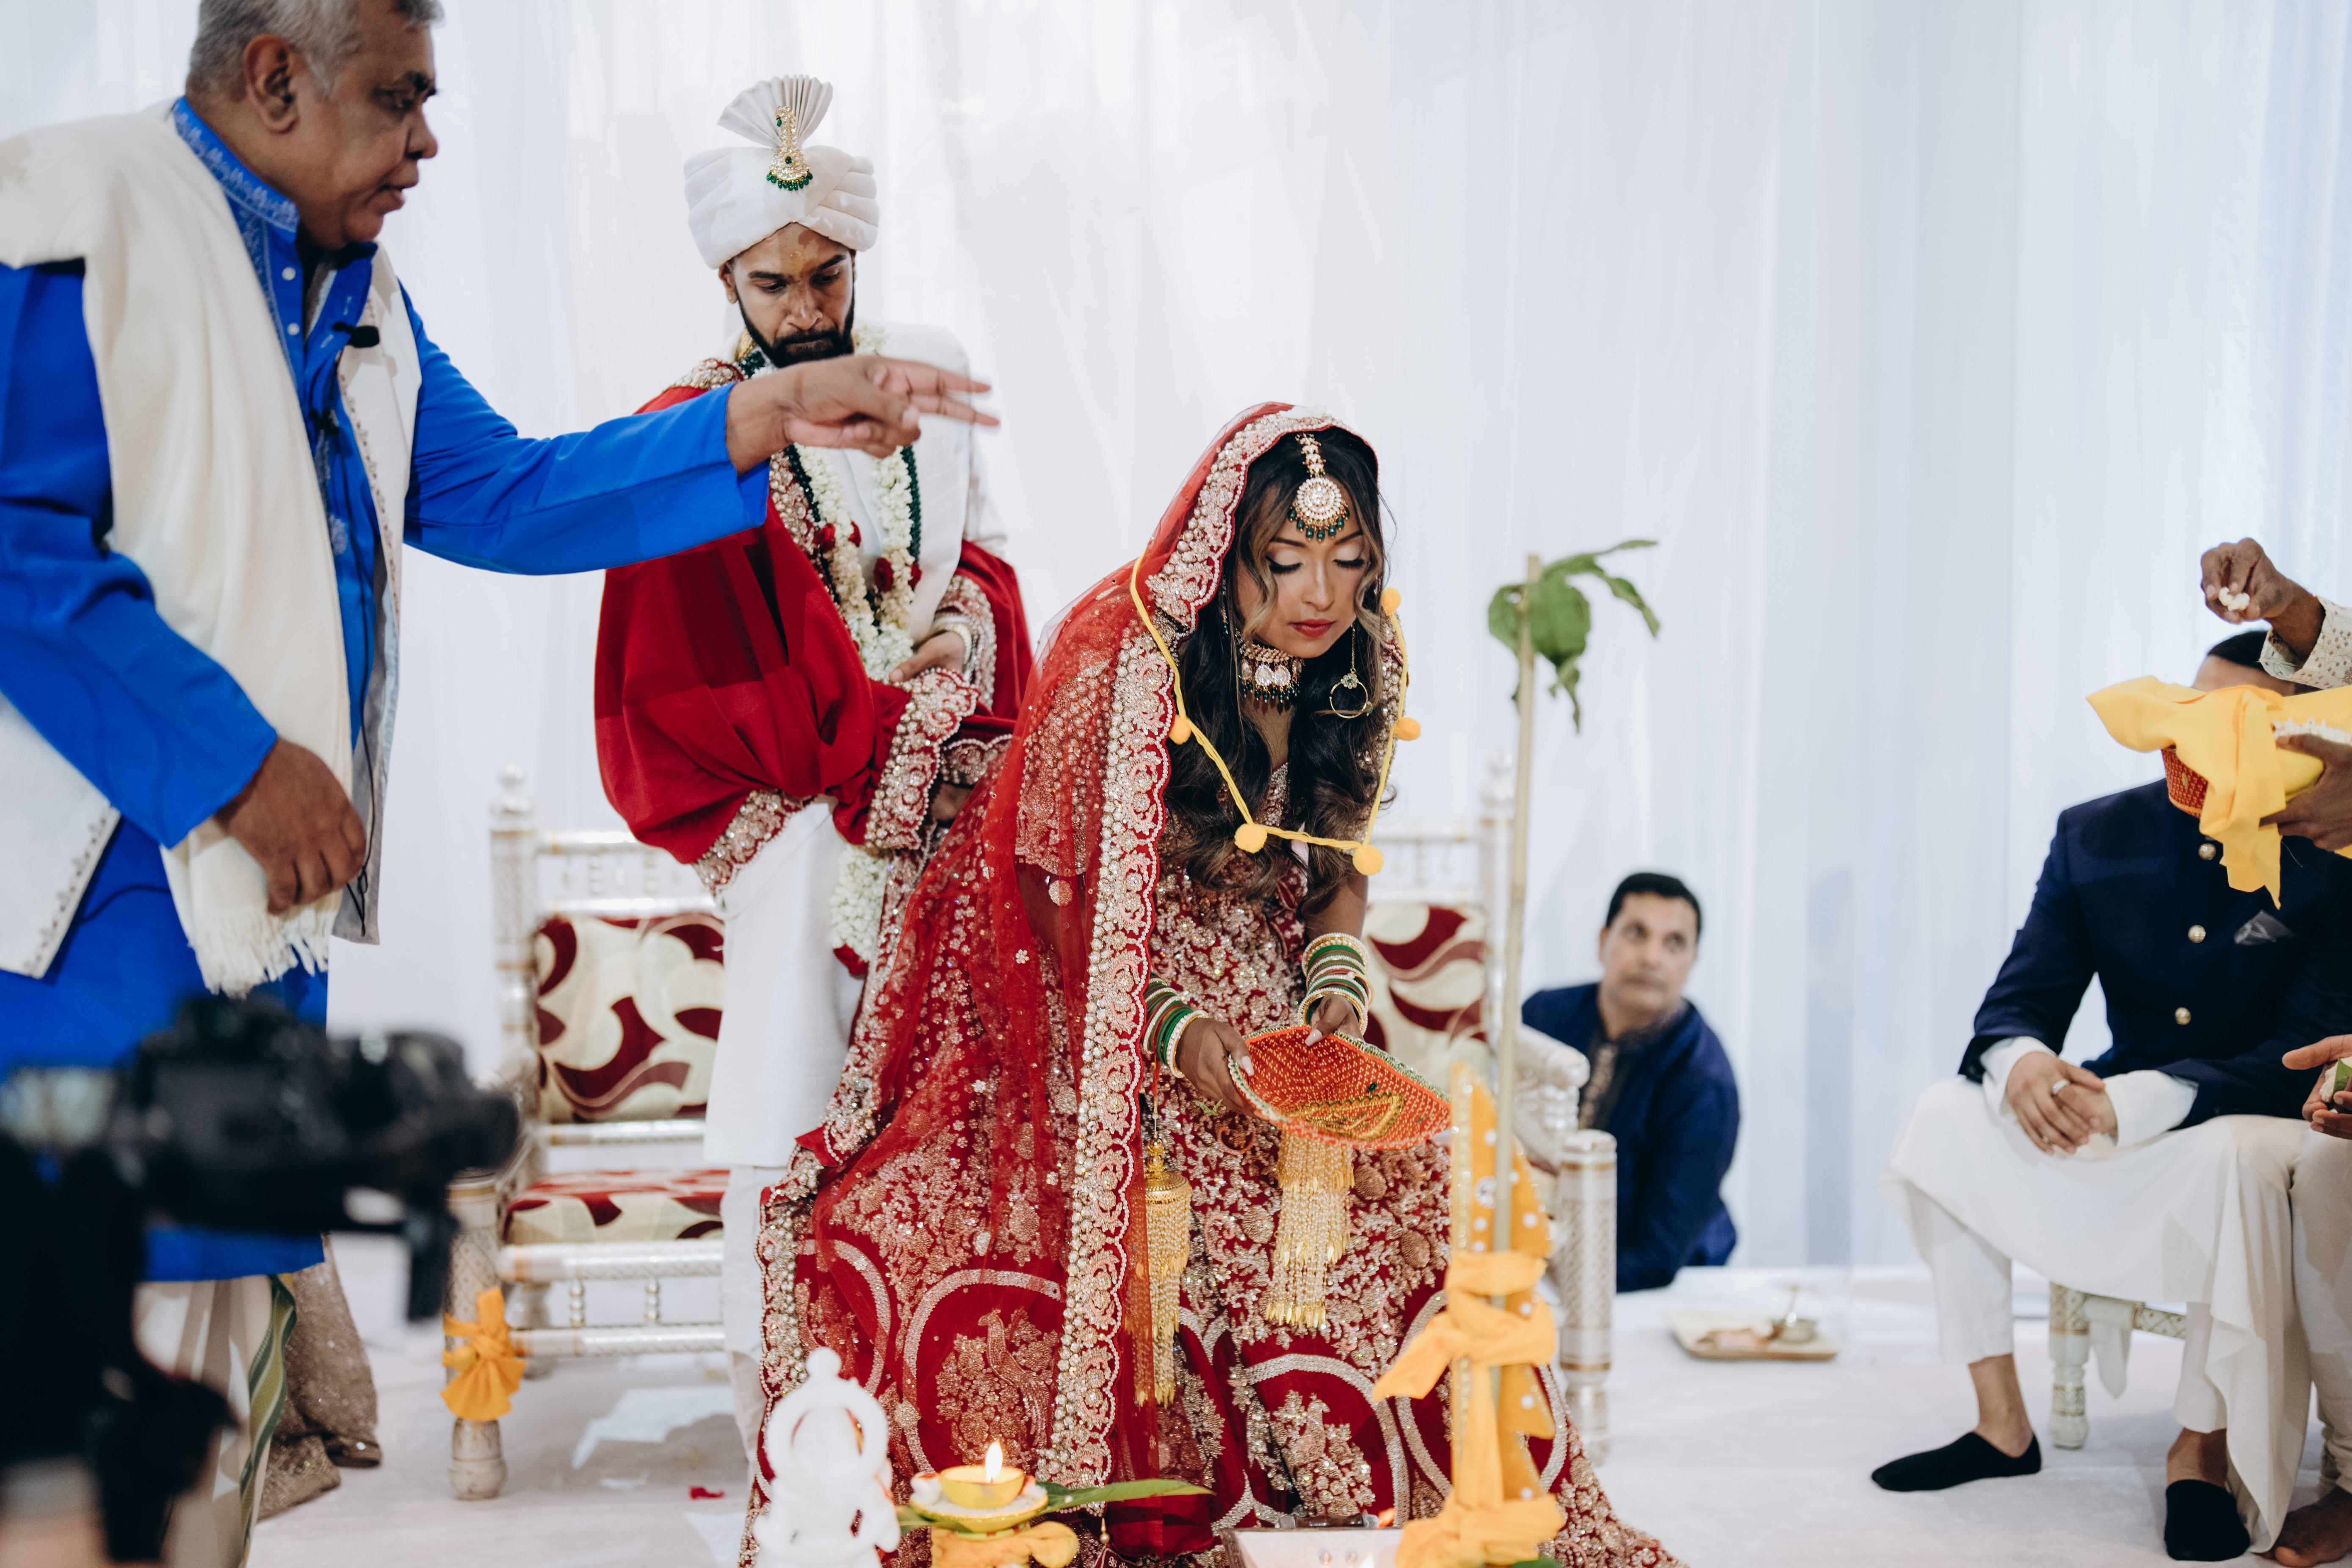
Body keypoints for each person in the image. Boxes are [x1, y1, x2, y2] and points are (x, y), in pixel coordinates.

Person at [0, 4, 990, 1562]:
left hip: (247, 928)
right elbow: (14, 545)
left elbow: (512, 494)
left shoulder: (357, 296)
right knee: (79, 1434)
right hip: (85, 918)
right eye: (399, 100)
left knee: (202, 1440)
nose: (427, 141)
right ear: (275, 77)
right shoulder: (82, 215)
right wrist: (236, 765)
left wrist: (756, 415)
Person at [732, 406, 1679, 1567]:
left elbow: (1334, 868)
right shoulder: (1133, 664)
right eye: (1286, 561)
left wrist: (1334, 982)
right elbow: (1052, 891)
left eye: (1349, 560)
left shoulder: (1357, 667)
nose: (1320, 594)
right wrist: (1173, 1035)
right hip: (1097, 987)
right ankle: (1210, 1497)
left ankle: (1405, 1503)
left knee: (1410, 1191)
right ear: (1228, 556)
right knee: (1182, 1194)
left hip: (1259, 987)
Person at [593, 73, 1031, 1462]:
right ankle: (785, 1429)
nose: (802, 307)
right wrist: (891, 736)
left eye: (825, 274)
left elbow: (989, 556)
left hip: (936, 803)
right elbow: (706, 666)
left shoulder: (926, 377)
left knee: (946, 1106)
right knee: (792, 1105)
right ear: (727, 281)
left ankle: (941, 1414)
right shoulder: (697, 430)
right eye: (772, 283)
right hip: (797, 827)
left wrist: (965, 632)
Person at [1871, 636, 2352, 1560]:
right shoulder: (2093, 830)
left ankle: (2197, 1450)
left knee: (2237, 1159)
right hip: (2111, 1120)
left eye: (2227, 723)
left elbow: (2302, 1054)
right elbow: (2018, 1000)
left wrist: (2138, 1102)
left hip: (2238, 1124)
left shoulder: (2333, 852)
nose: (2185, 738)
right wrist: (2021, 1061)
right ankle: (2000, 1426)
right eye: (2184, 707)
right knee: (1942, 1113)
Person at [1521, 873, 1737, 1292]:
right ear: (1603, 941)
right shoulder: (1543, 1016)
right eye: (1636, 934)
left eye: (1673, 943)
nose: (1651, 957)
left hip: (1656, 1286)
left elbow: (1658, 1256)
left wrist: (1548, 1282)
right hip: (1541, 1256)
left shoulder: (1704, 1084)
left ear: (1691, 962)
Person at [2201, 538, 2352, 849]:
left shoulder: (2326, 831)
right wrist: (2290, 605)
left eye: (2242, 716)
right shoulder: (2106, 826)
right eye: (2195, 704)